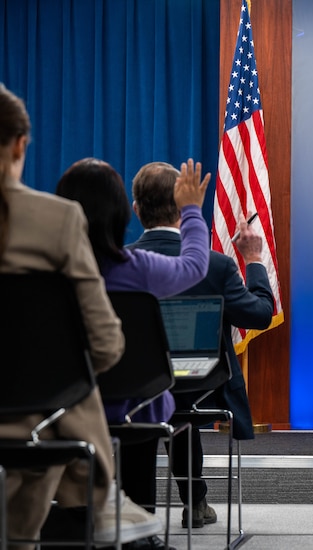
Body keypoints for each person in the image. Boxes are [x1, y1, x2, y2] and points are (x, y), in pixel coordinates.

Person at [0, 83, 162, 548]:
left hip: (37, 421)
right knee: (64, 393)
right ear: (20, 144)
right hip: (39, 421)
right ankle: (99, 496)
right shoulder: (57, 220)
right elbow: (107, 343)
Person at [55, 156, 211, 550]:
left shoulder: (49, 275)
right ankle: (137, 530)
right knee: (150, 406)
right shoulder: (138, 268)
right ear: (125, 212)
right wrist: (191, 209)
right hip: (136, 408)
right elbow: (193, 266)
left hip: (62, 411)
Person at [128, 161, 274, 530]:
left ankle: (138, 511)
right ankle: (195, 502)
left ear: (136, 209)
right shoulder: (216, 265)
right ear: (184, 208)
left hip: (133, 388)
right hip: (201, 385)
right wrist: (254, 260)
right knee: (179, 401)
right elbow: (259, 315)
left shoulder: (119, 263)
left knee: (153, 391)